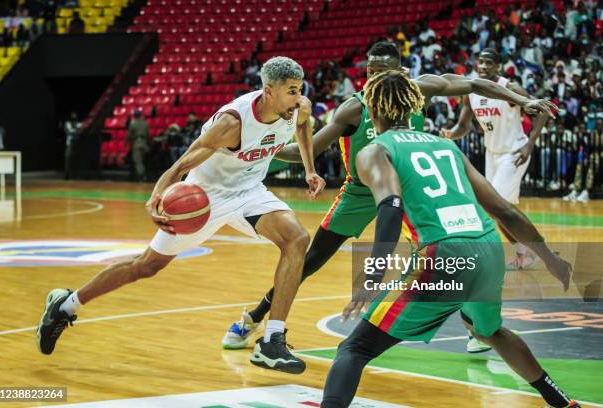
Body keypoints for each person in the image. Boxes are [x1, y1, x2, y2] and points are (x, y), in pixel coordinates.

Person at [220, 42, 557, 355]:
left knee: (447, 253)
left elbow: (473, 84)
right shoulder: (354, 107)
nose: (375, 79)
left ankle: (473, 326)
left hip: (407, 189)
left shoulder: (419, 89)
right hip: (360, 192)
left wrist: (524, 101)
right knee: (309, 261)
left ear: (401, 73)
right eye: (370, 72)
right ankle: (254, 318)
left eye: (383, 73)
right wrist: (258, 148)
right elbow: (309, 148)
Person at [35, 56, 326, 374]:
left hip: (249, 192)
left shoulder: (299, 108)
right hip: (204, 196)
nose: (298, 98)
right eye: (291, 91)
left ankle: (272, 341)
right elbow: (184, 162)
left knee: (297, 239)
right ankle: (65, 305)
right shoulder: (233, 122)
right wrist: (159, 192)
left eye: (300, 90)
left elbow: (302, 128)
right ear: (269, 91)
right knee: (144, 267)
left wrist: (310, 169)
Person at [320, 68, 579, 408]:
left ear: (373, 109)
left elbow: (391, 207)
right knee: (490, 331)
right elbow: (507, 212)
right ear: (413, 105)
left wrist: (372, 276)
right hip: (487, 249)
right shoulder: (447, 147)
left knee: (354, 348)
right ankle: (562, 403)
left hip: (443, 254)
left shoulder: (374, 151)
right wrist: (551, 259)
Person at [442, 48, 549, 274]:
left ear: (498, 67)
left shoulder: (510, 88)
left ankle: (532, 249)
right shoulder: (471, 92)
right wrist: (451, 133)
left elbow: (543, 112)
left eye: (488, 63)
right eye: (480, 62)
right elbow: (463, 126)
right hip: (492, 155)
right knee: (497, 208)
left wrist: (529, 145)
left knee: (494, 205)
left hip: (514, 152)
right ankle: (524, 253)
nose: (483, 66)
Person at [127, 109, 150, 182]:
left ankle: (142, 177)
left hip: (136, 143)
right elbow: (148, 135)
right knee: (142, 161)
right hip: (144, 143)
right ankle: (143, 176)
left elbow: (129, 135)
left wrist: (128, 142)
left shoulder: (133, 123)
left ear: (134, 116)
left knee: (138, 162)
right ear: (140, 115)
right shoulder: (145, 123)